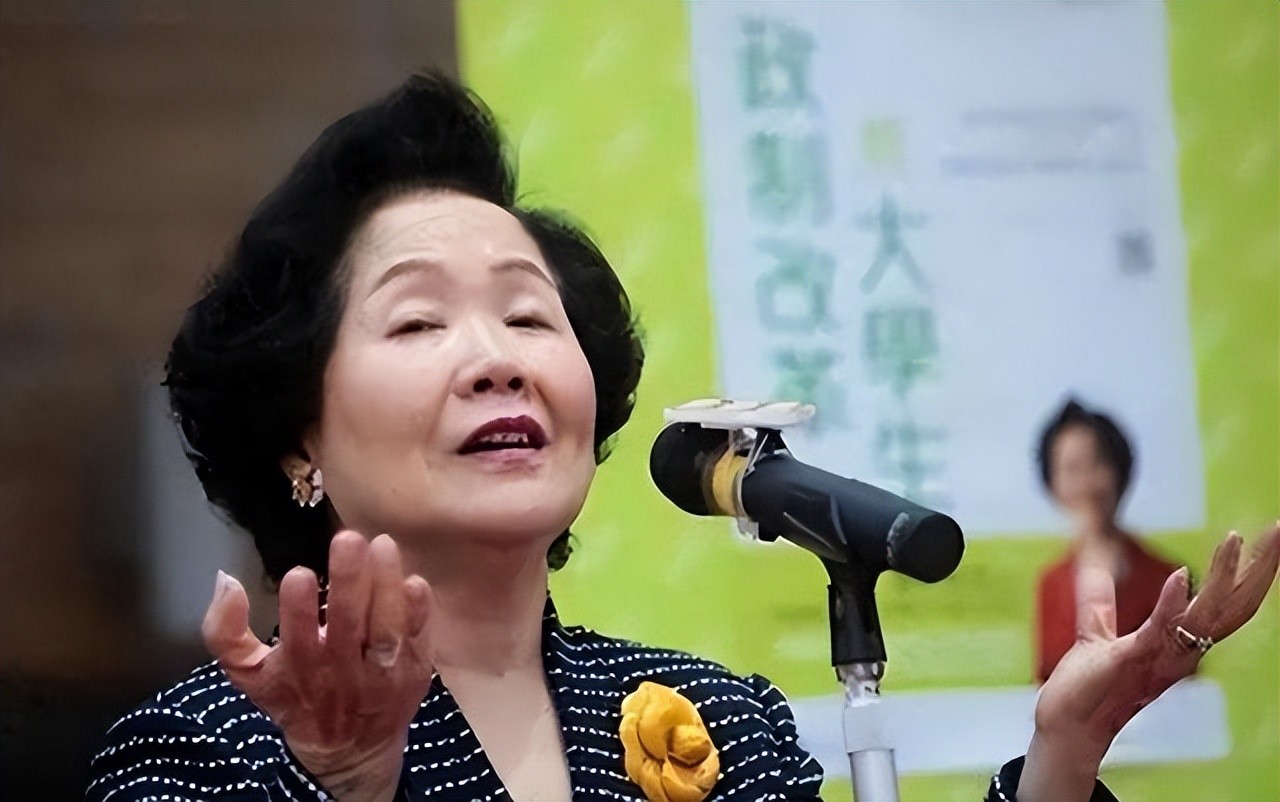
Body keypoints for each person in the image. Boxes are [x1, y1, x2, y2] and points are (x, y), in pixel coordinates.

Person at [85, 73, 1279, 802]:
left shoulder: (718, 722)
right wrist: (350, 788)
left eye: (525, 314)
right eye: (418, 320)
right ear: (298, 435)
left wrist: (1061, 755)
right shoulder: (197, 754)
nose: (497, 356)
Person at [1033, 399, 1181, 683]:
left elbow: (1180, 680)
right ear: (1053, 484)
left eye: (1097, 464)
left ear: (1121, 471)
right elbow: (1047, 679)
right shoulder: (1051, 584)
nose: (1087, 483)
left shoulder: (1167, 577)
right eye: (1072, 469)